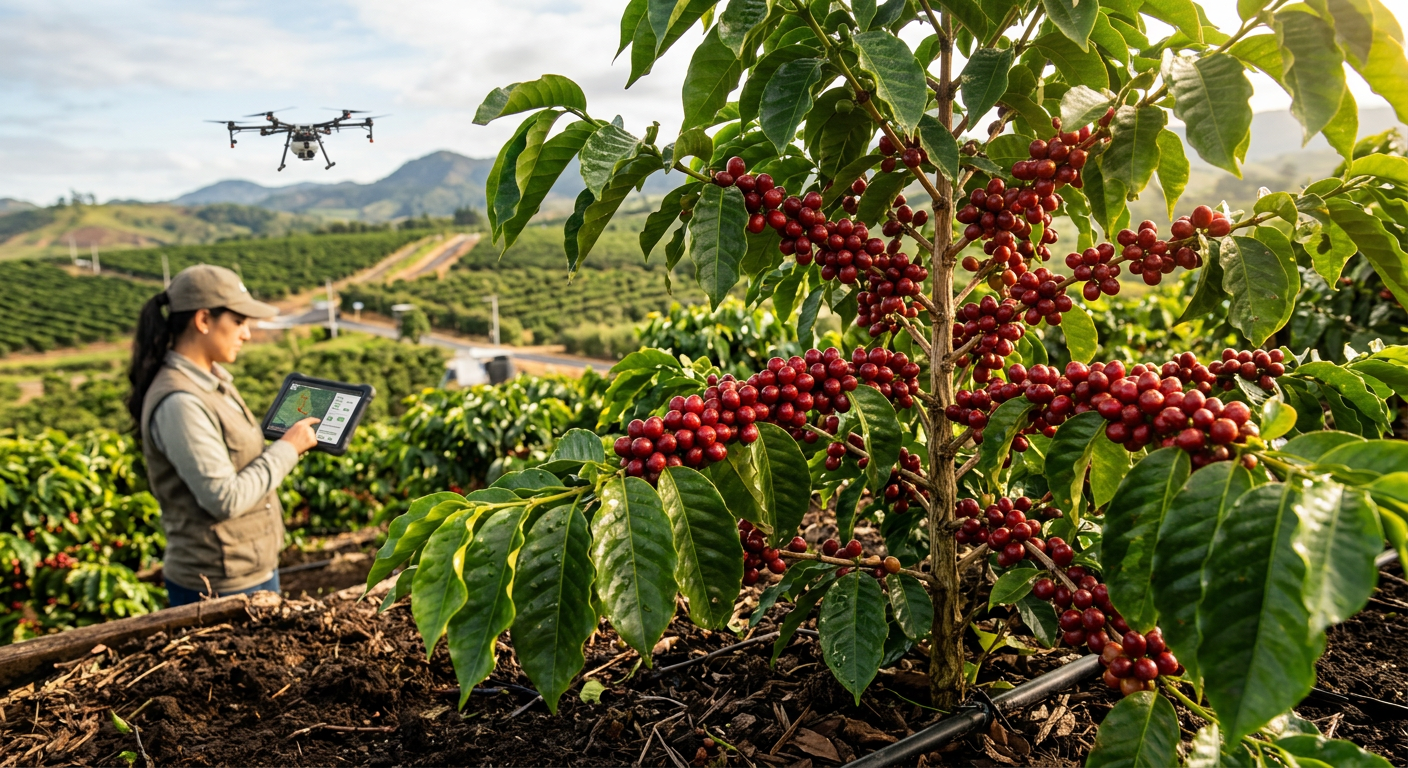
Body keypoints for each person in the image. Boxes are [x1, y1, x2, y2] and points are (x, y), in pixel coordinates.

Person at [126, 265, 320, 607]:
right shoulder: (181, 402)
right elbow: (223, 498)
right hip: (218, 583)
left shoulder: (212, 380)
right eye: (239, 322)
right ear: (203, 321)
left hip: (249, 568)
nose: (246, 334)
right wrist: (287, 449)